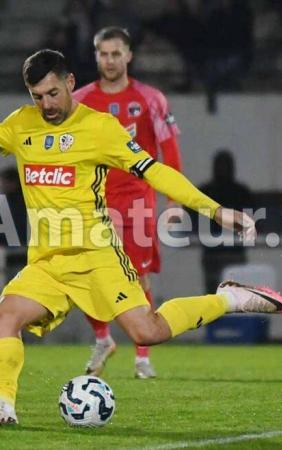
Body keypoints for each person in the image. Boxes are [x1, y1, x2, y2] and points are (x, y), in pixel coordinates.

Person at [0, 49, 282, 427]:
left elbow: (155, 172)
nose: (46, 104)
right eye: (37, 96)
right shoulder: (22, 124)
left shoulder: (100, 128)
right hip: (49, 264)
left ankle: (229, 298)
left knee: (147, 332)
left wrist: (215, 210)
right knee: (3, 320)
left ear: (70, 82)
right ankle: (1, 404)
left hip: (97, 256)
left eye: (53, 93)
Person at [73, 26, 185, 379]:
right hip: (94, 202)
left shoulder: (151, 98)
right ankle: (104, 338)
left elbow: (169, 148)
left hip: (137, 201)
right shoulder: (79, 100)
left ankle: (142, 357)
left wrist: (175, 200)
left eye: (116, 53)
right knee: (85, 274)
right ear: (96, 56)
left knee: (136, 279)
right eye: (103, 54)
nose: (109, 60)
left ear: (129, 55)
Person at [196, 149, 255, 293]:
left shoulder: (241, 192)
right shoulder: (205, 191)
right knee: (212, 293)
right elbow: (193, 219)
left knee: (236, 294)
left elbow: (252, 219)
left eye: (225, 165)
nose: (222, 170)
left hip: (235, 252)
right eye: (220, 165)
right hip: (212, 253)